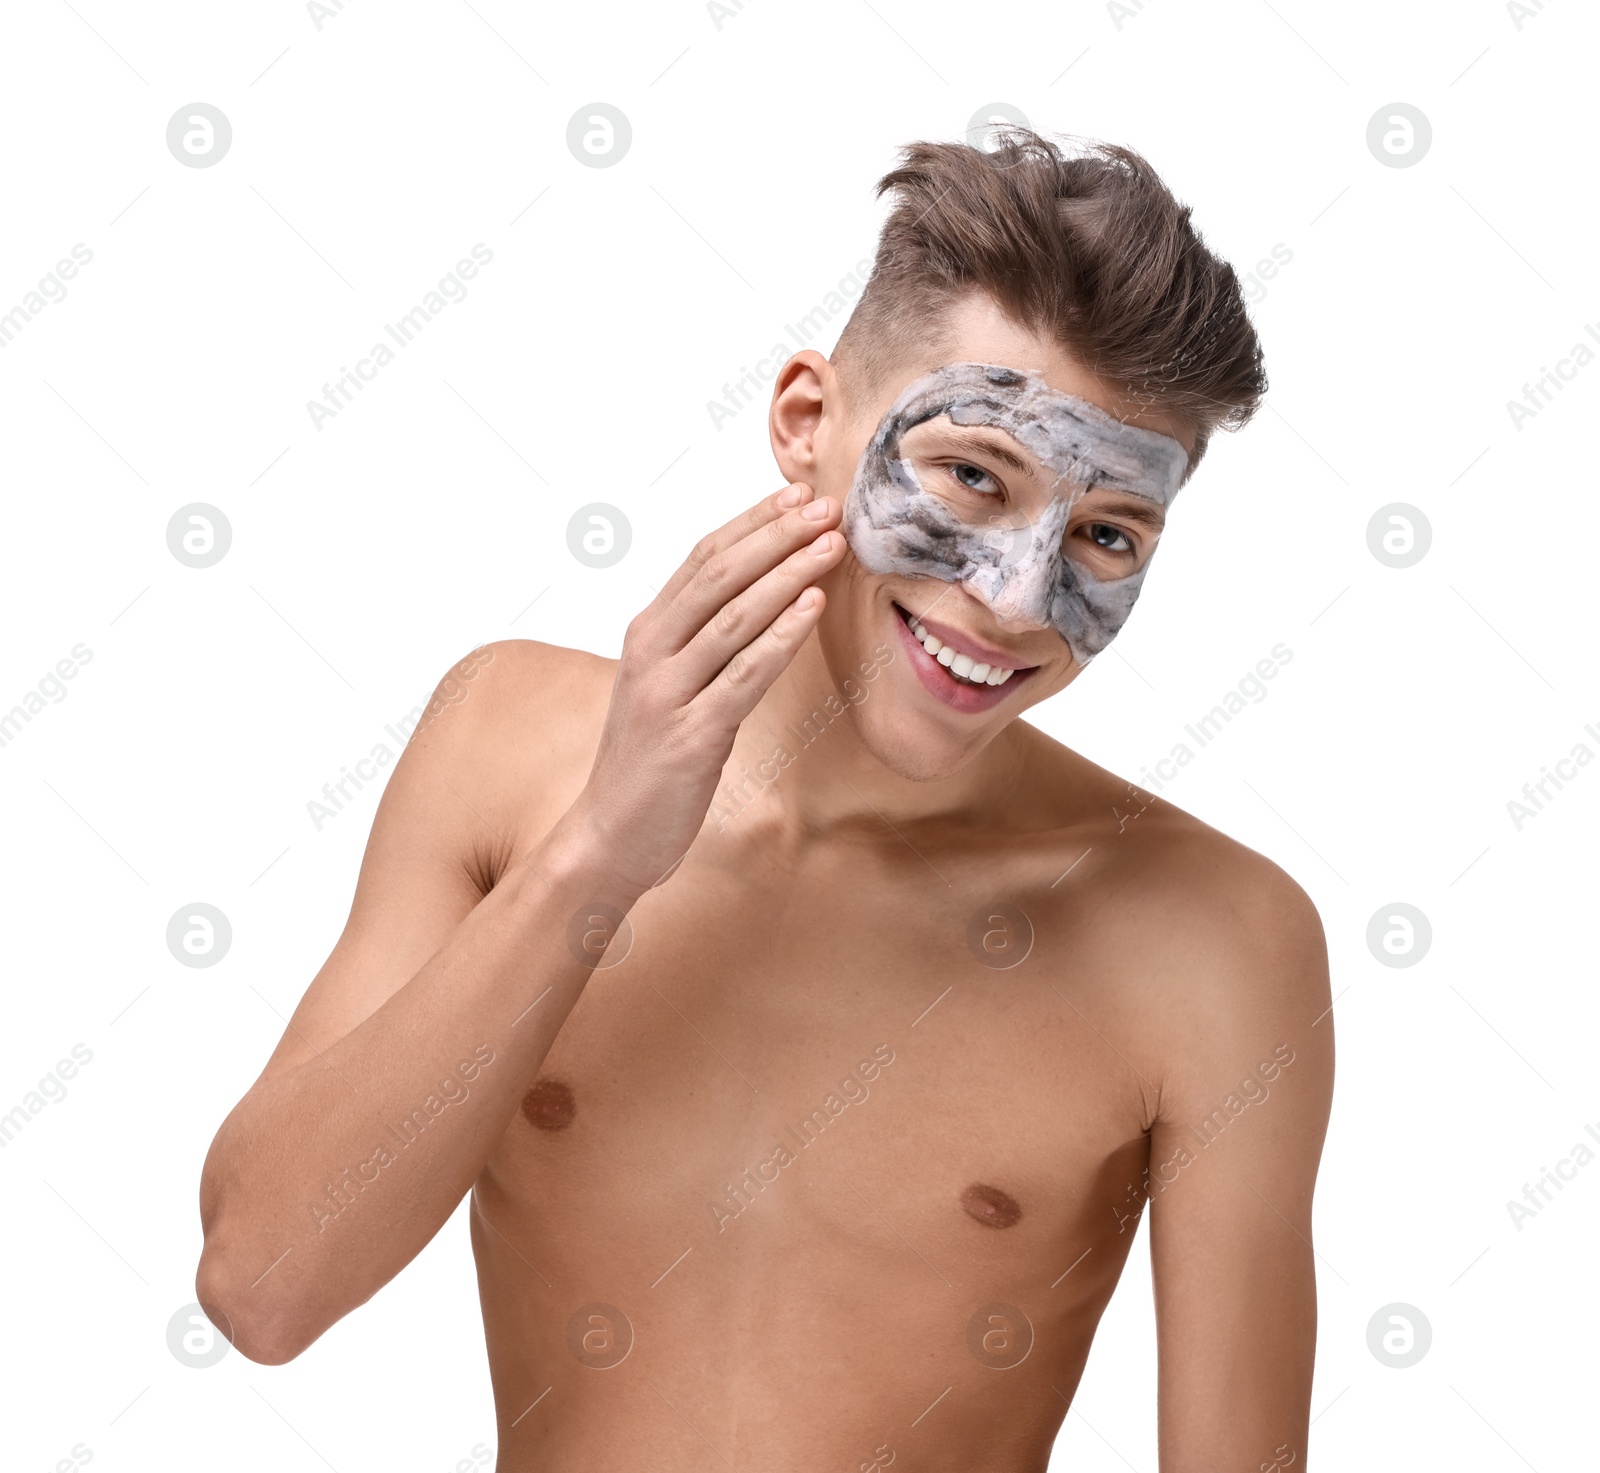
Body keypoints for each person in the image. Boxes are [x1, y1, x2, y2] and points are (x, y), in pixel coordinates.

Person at [196, 129, 1333, 1472]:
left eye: (1105, 537)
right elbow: (263, 1287)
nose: (1021, 601)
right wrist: (598, 857)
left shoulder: (1216, 939)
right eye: (973, 475)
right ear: (810, 424)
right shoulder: (506, 742)